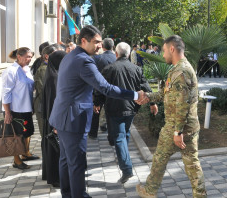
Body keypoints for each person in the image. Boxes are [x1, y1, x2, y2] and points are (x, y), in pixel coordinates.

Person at [48, 25, 147, 198]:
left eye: (101, 42)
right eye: (96, 42)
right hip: (73, 120)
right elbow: (106, 88)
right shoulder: (83, 61)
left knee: (66, 161)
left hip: (62, 117)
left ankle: (68, 194)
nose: (100, 46)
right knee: (76, 163)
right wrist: (134, 94)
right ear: (84, 41)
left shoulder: (70, 56)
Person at [136, 35, 207, 198]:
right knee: (193, 165)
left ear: (172, 49)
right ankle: (200, 195)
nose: (162, 55)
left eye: (164, 50)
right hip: (189, 127)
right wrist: (147, 96)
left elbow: (182, 105)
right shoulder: (179, 69)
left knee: (160, 158)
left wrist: (177, 132)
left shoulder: (180, 71)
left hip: (176, 127)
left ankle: (149, 190)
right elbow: (165, 93)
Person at [94, 42, 151, 183]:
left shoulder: (108, 69)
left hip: (115, 109)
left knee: (119, 137)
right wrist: (153, 103)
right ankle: (124, 159)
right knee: (124, 134)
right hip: (131, 108)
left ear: (116, 54)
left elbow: (101, 89)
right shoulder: (137, 69)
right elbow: (146, 87)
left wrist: (97, 103)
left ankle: (126, 169)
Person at [2, 47, 39, 170]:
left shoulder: (27, 69)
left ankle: (25, 153)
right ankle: (16, 160)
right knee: (16, 135)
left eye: (30, 57)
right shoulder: (11, 71)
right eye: (27, 57)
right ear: (19, 56)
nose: (29, 59)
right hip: (15, 109)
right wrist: (7, 112)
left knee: (27, 132)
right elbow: (6, 93)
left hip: (26, 107)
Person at [41, 50, 67, 187]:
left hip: (52, 120)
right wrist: (56, 124)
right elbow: (52, 102)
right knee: (54, 149)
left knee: (53, 149)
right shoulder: (53, 78)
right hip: (54, 121)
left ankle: (54, 176)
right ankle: (55, 178)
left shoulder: (53, 74)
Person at [89, 38, 117, 139]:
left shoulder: (97, 58)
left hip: (99, 89)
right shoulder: (117, 58)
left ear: (103, 46)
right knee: (112, 112)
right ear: (113, 46)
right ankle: (111, 132)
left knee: (96, 111)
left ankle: (92, 133)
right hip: (113, 89)